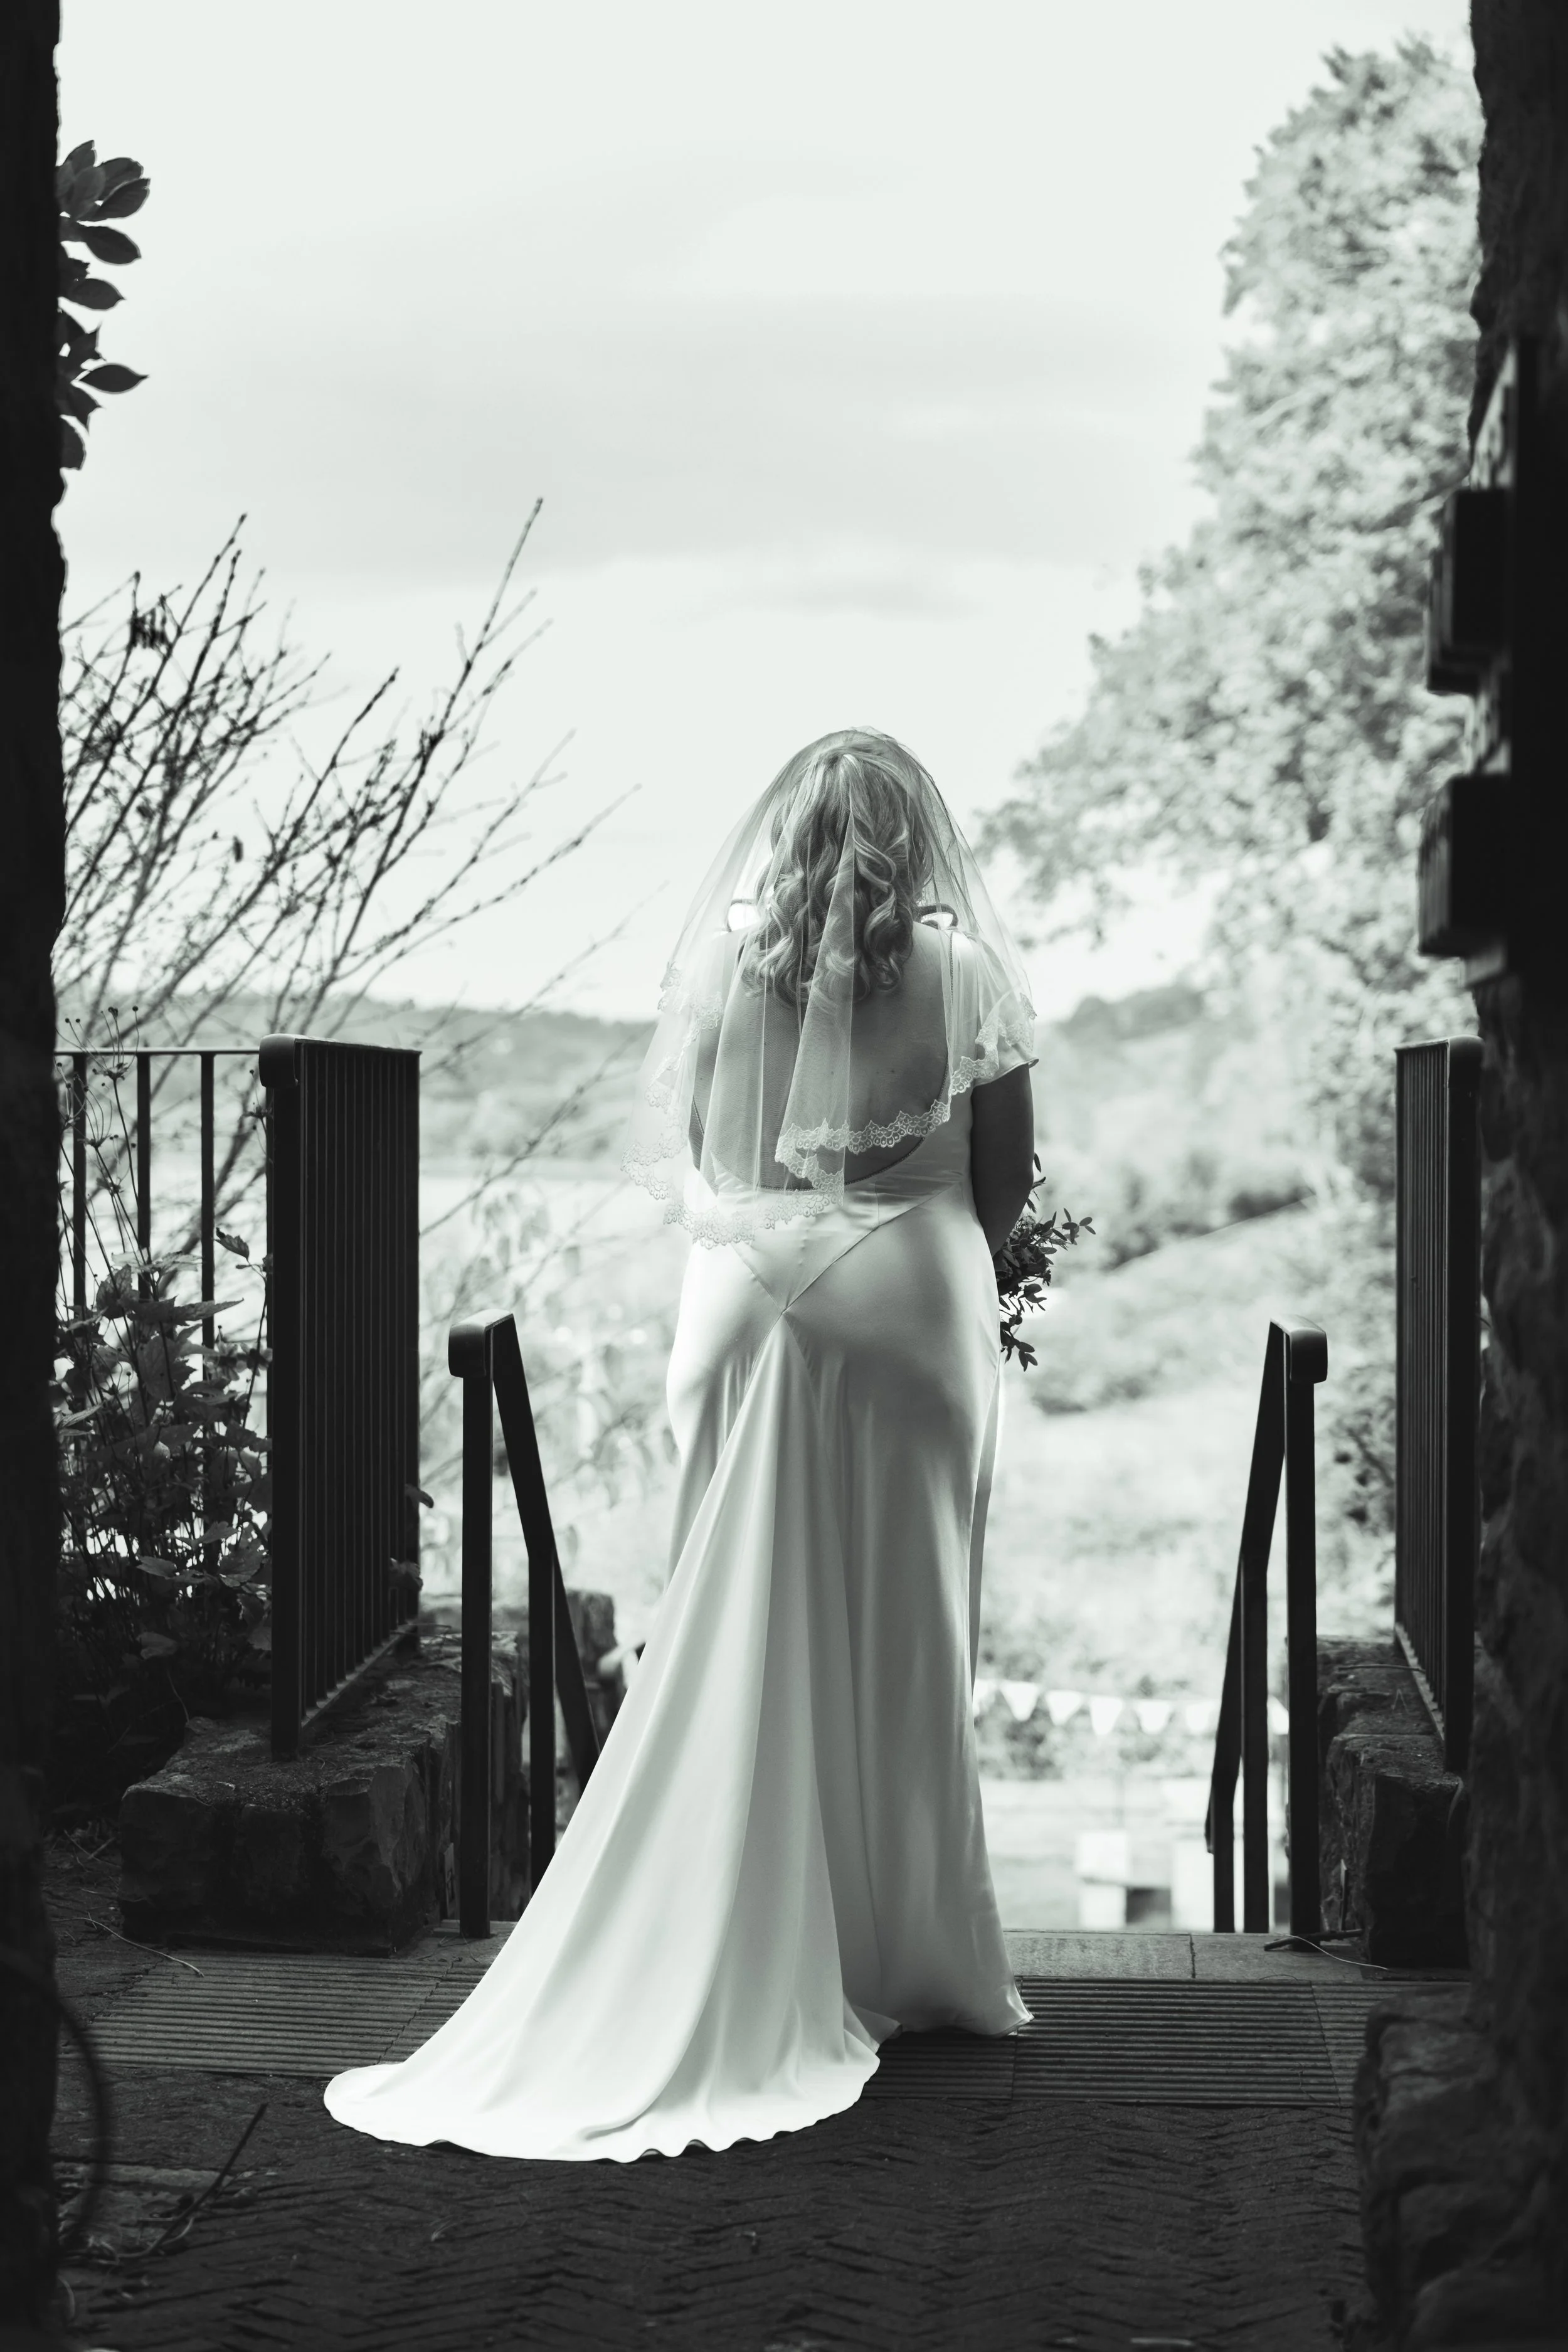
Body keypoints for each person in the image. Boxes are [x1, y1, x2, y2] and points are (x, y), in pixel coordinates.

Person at [325, 727, 1038, 2163]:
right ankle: (907, 1962)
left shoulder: (722, 971)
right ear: (916, 835)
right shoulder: (963, 974)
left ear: (781, 834)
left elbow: (720, 1168)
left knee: (733, 1628)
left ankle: (732, 1918)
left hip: (743, 1310)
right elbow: (1005, 1184)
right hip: (906, 1312)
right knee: (902, 1634)